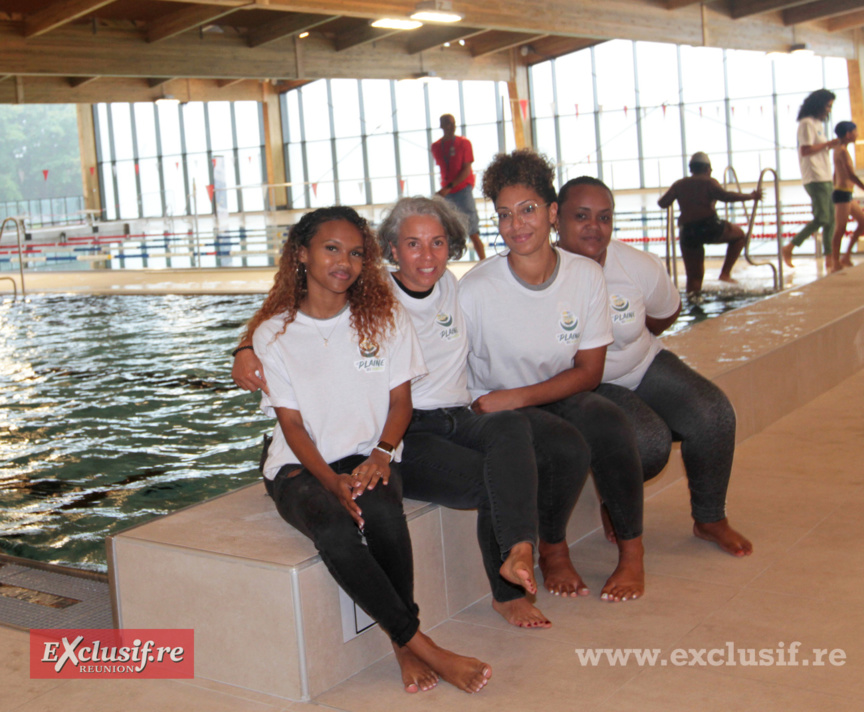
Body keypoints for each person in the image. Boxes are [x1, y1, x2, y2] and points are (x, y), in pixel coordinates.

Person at [239, 206, 492, 694]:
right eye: (331, 248)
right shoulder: (274, 333)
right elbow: (289, 424)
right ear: (301, 254)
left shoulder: (383, 317)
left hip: (367, 454)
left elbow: (401, 401)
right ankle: (420, 646)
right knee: (334, 528)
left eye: (356, 253)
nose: (345, 262)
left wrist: (380, 454)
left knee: (381, 512)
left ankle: (403, 644)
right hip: (298, 465)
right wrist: (330, 481)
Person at [378, 195, 591, 627]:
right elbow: (300, 303)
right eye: (413, 244)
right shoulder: (370, 295)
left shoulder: (453, 286)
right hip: (405, 432)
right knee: (496, 480)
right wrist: (248, 346)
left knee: (511, 426)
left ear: (451, 246)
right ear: (393, 249)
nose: (426, 255)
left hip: (457, 416)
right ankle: (507, 592)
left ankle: (519, 550)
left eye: (437, 243)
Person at [459, 149, 646, 602]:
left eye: (528, 210)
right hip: (492, 405)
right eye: (504, 215)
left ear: (552, 213)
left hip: (540, 392)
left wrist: (519, 398)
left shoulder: (584, 276)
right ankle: (553, 548)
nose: (516, 225)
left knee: (610, 422)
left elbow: (589, 372)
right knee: (566, 448)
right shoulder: (476, 290)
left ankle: (633, 555)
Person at [556, 176, 753, 557]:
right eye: (581, 216)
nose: (594, 227)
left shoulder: (637, 266)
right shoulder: (543, 273)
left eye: (604, 217)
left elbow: (665, 314)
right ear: (555, 218)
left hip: (642, 364)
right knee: (648, 443)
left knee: (713, 414)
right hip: (586, 386)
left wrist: (631, 339)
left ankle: (710, 518)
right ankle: (615, 501)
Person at [657, 152, 761, 294]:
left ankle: (694, 304)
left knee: (694, 277)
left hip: (687, 232)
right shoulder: (709, 181)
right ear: (707, 169)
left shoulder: (679, 184)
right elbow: (725, 196)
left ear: (691, 169)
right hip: (709, 227)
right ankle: (725, 273)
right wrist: (750, 196)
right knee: (740, 235)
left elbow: (662, 203)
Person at [781, 89, 841, 270]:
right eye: (828, 106)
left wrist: (827, 146)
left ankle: (830, 258)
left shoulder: (817, 124)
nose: (829, 110)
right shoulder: (806, 123)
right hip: (814, 176)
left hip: (824, 175)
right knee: (822, 217)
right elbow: (805, 150)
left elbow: (818, 148)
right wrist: (829, 144)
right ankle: (790, 246)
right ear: (819, 104)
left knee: (831, 219)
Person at [431, 113, 486, 260]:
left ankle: (483, 261)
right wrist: (445, 190)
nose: (452, 127)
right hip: (447, 193)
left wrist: (449, 186)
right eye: (448, 124)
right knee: (446, 230)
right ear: (442, 126)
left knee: (473, 230)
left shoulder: (464, 143)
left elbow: (466, 169)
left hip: (462, 191)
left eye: (453, 123)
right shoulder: (436, 147)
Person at [830, 121, 864, 271]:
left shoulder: (839, 149)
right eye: (855, 132)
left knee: (863, 222)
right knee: (840, 228)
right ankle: (835, 262)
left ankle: (846, 256)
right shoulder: (842, 151)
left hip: (844, 192)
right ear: (848, 134)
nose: (857, 134)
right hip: (842, 193)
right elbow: (850, 174)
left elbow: (835, 173)